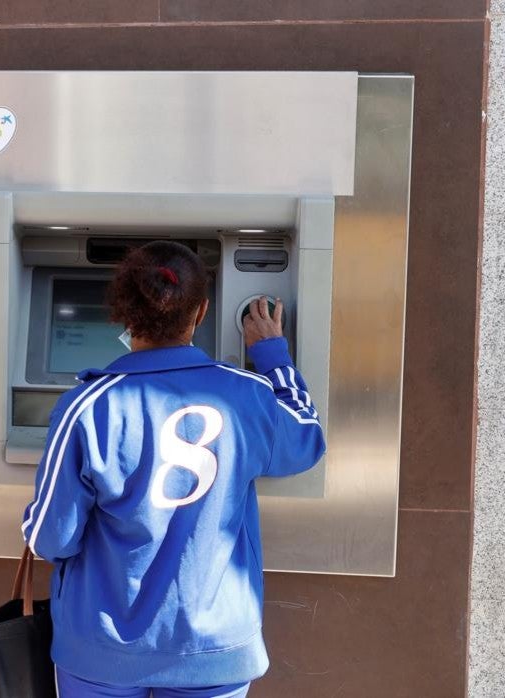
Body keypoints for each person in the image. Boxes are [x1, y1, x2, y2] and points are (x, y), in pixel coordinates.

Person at [21, 241, 325, 698]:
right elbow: (306, 438)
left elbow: (51, 537)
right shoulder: (245, 395)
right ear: (201, 312)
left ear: (123, 314)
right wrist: (273, 356)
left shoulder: (87, 406)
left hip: (101, 653)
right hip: (212, 647)